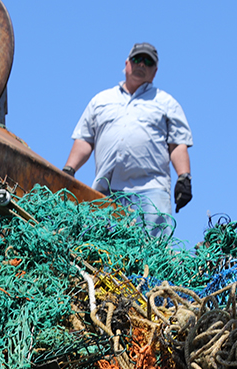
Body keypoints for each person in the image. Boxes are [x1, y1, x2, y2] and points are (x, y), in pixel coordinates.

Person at [63, 42, 193, 236]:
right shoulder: (101, 100)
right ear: (126, 64)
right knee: (103, 255)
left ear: (155, 71)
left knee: (151, 255)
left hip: (150, 192)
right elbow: (85, 140)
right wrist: (69, 170)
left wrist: (184, 177)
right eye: (137, 59)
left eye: (148, 62)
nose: (142, 64)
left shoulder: (166, 102)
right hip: (104, 193)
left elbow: (177, 145)